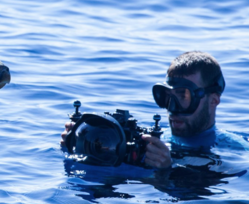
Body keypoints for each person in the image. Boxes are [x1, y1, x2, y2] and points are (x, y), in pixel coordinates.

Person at [61, 51, 249, 170]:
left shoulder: (235, 151)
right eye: (167, 96)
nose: (172, 109)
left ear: (213, 100)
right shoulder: (150, 142)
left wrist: (168, 172)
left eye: (183, 96)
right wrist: (77, 143)